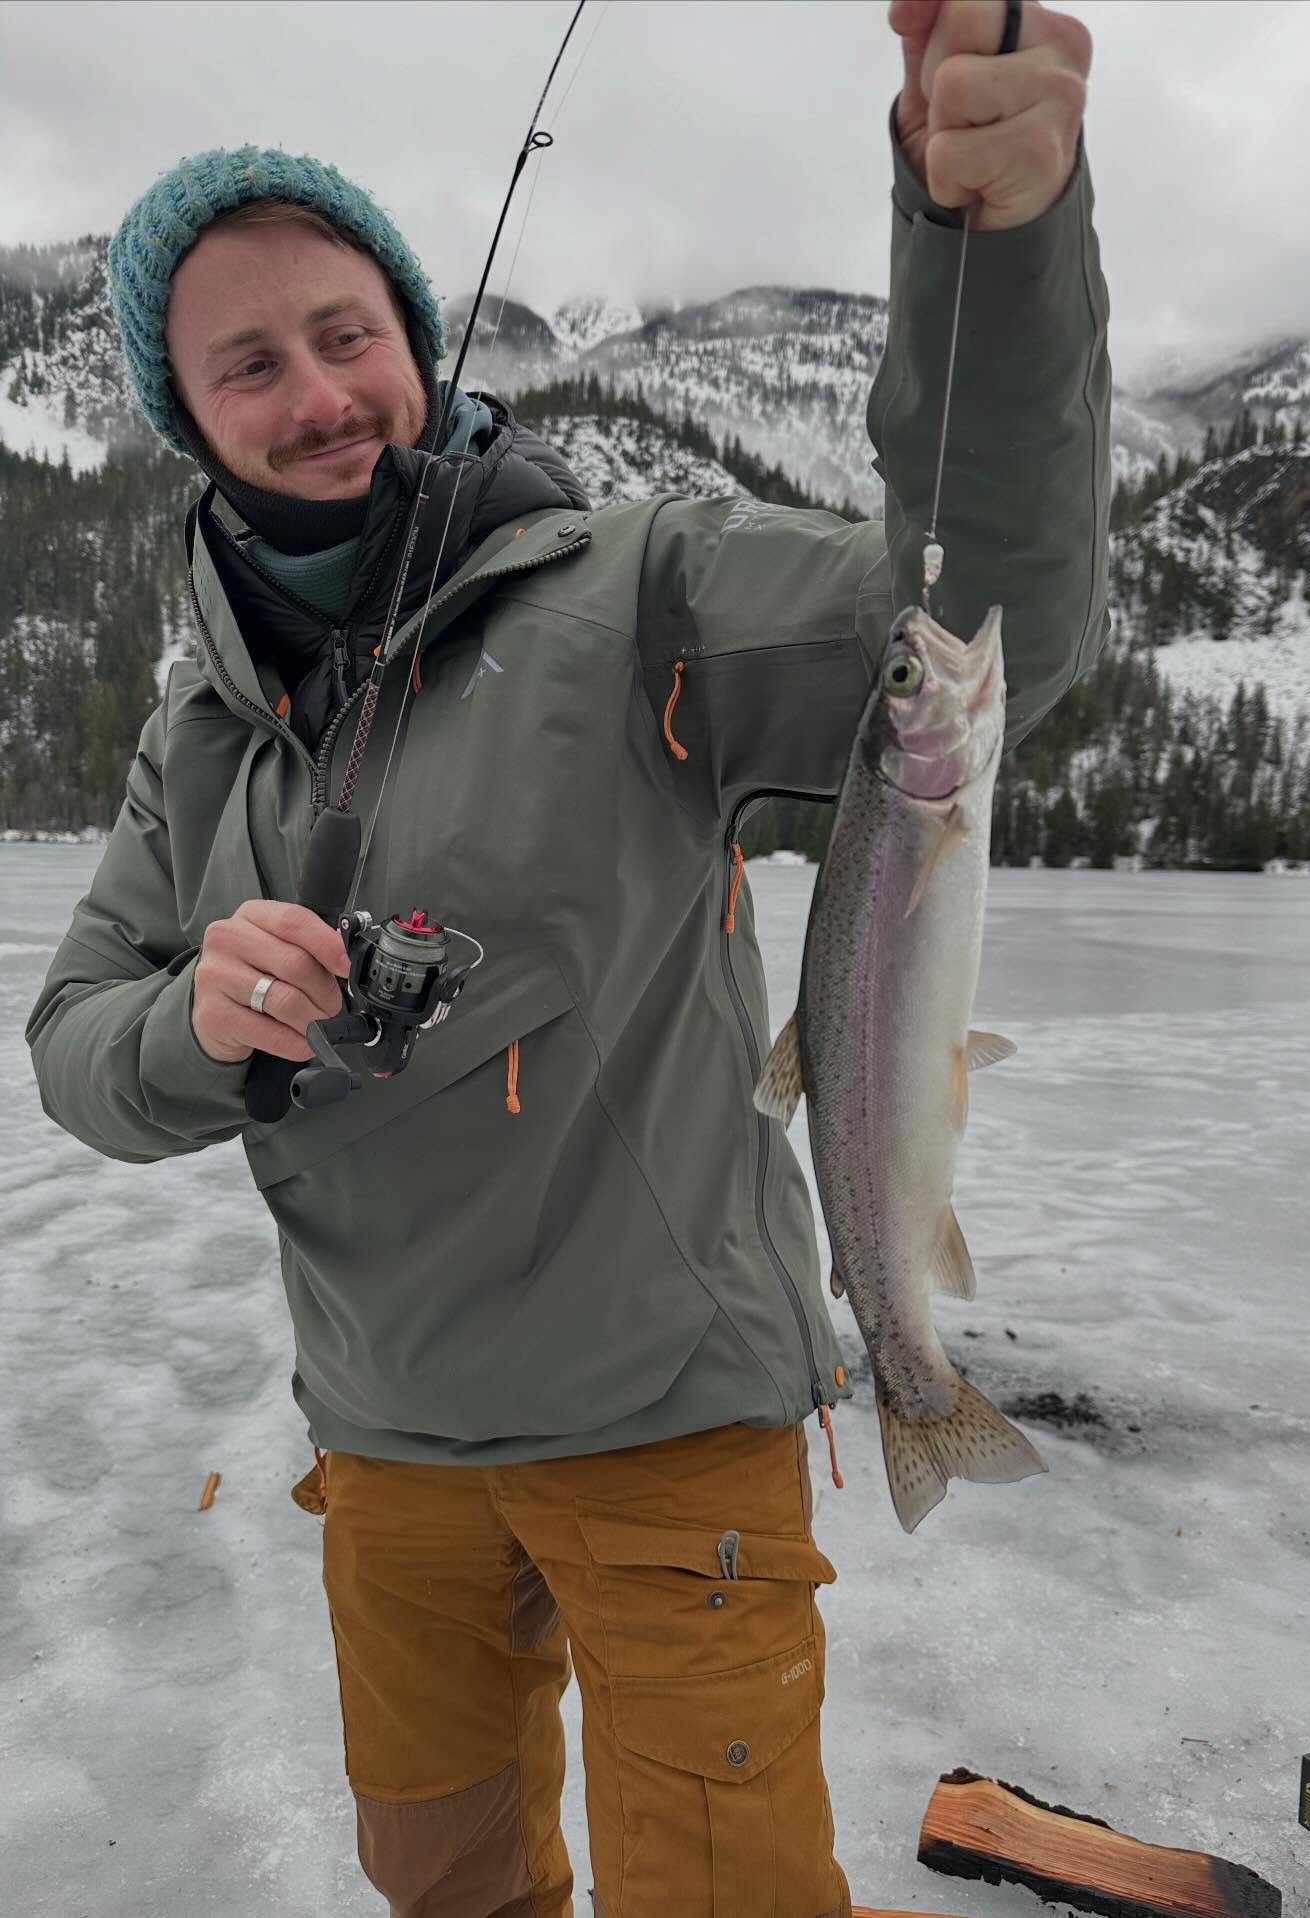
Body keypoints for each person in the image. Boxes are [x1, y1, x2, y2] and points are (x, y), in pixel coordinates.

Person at [26, 1, 1110, 1912]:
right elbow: (75, 1047)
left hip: (668, 1427)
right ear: (185, 416)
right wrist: (196, 1022)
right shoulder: (198, 726)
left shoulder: (641, 584)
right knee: (448, 1887)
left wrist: (998, 260)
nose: (318, 391)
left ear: (416, 344)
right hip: (382, 1447)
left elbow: (970, 600)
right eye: (249, 363)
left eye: (347, 332)